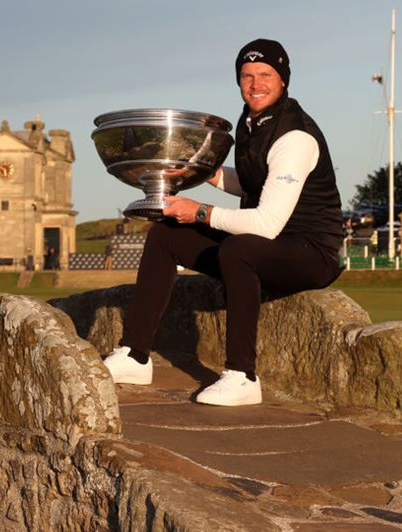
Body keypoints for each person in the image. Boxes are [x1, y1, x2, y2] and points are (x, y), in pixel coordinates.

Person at [102, 38, 343, 406]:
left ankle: (242, 376)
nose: (255, 83)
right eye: (247, 75)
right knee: (166, 233)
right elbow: (252, 184)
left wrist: (199, 211)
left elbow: (265, 224)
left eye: (265, 74)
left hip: (312, 253)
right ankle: (135, 355)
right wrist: (205, 174)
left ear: (283, 80)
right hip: (269, 245)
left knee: (238, 249)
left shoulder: (295, 135)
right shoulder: (252, 123)